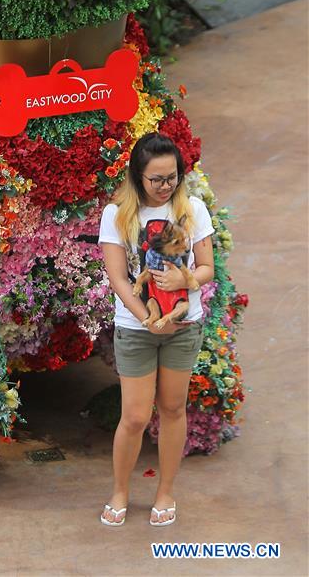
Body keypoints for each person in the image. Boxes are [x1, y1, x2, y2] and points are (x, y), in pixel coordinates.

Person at [97, 132, 215, 526]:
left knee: (172, 408)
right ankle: (120, 491)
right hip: (136, 327)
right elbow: (118, 277)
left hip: (183, 325)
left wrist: (185, 283)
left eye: (173, 177)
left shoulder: (192, 208)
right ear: (137, 177)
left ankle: (165, 493)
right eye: (157, 179)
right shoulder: (117, 214)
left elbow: (206, 267)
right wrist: (147, 317)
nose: (166, 187)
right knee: (133, 416)